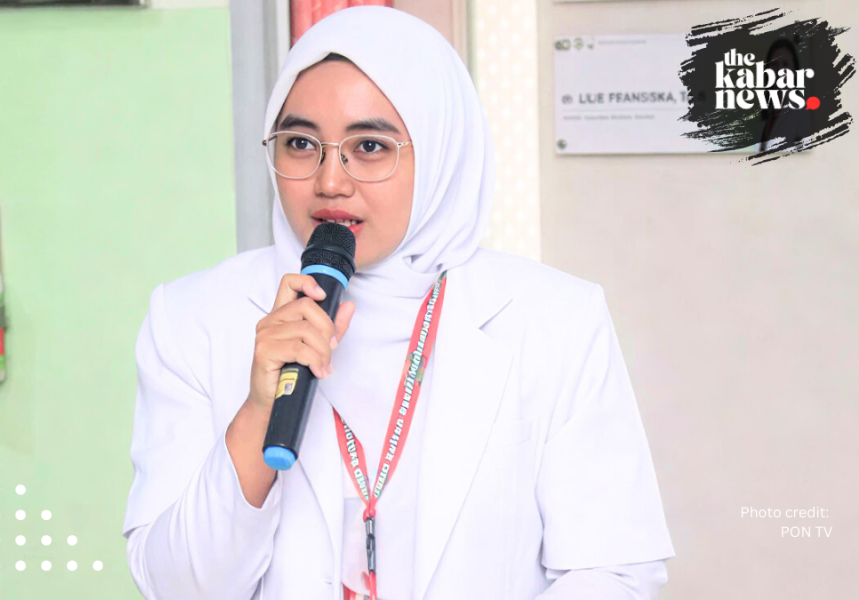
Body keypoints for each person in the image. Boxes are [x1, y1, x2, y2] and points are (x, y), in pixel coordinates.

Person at [122, 6, 675, 600]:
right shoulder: (192, 319)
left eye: (369, 146)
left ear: (438, 153)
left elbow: (614, 572)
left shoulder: (554, 320)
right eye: (301, 143)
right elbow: (177, 587)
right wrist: (259, 412)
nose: (330, 181)